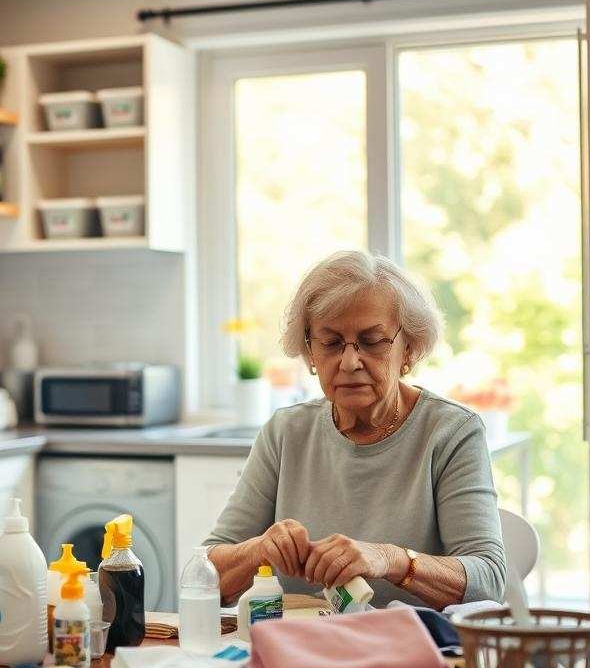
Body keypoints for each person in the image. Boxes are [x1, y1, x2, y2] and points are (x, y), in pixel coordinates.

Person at [204, 250, 506, 609]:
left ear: (408, 348)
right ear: (310, 354)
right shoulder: (286, 432)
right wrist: (259, 549)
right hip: (300, 651)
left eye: (373, 341)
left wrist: (392, 560)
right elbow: (205, 576)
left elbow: (489, 580)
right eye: (330, 343)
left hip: (412, 654)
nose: (349, 362)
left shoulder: (451, 432)